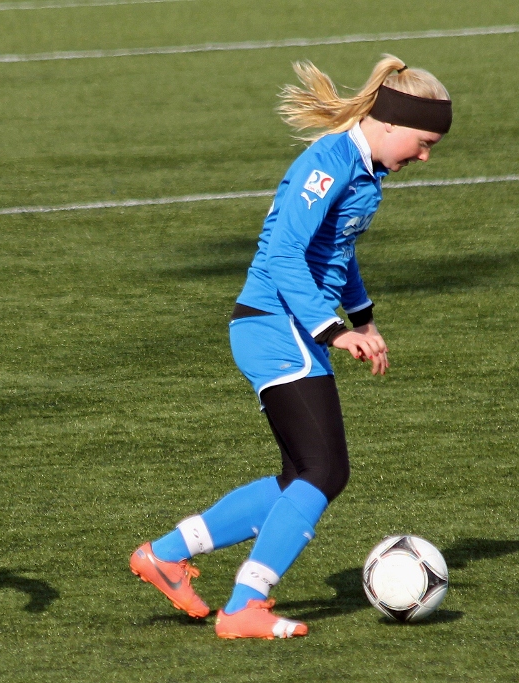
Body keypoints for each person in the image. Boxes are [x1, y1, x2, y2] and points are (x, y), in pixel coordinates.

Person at [130, 55, 452, 639]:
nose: (425, 156)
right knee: (325, 470)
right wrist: (334, 331)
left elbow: (337, 251)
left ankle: (167, 555)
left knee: (298, 477)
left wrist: (363, 319)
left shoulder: (365, 170)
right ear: (390, 122)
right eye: (424, 143)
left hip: (290, 329)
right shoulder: (328, 163)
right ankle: (245, 605)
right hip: (277, 326)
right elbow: (283, 255)